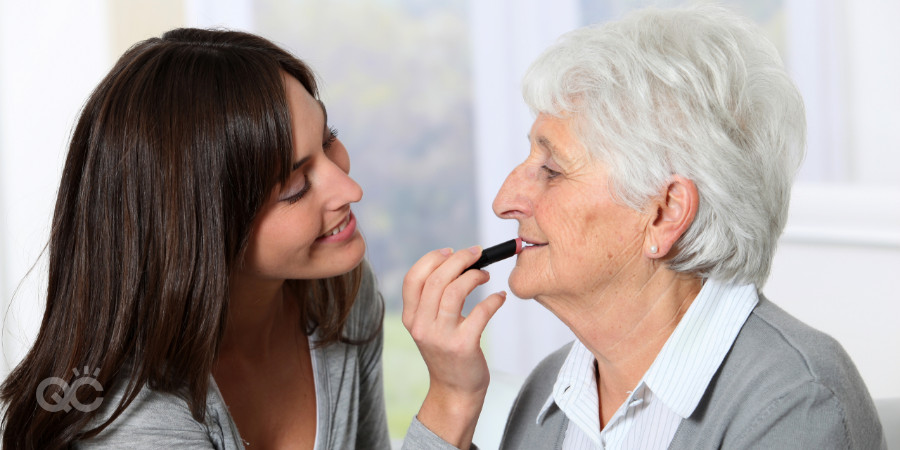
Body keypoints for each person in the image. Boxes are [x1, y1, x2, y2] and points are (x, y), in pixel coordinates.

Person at [401, 4, 886, 449]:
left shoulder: (796, 407)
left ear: (664, 213)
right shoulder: (549, 393)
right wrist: (452, 396)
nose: (505, 201)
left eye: (551, 170)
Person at [1, 28, 389, 449]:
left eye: (329, 139)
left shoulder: (338, 296)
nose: (351, 190)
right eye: (296, 185)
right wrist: (451, 401)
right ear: (203, 228)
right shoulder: (129, 418)